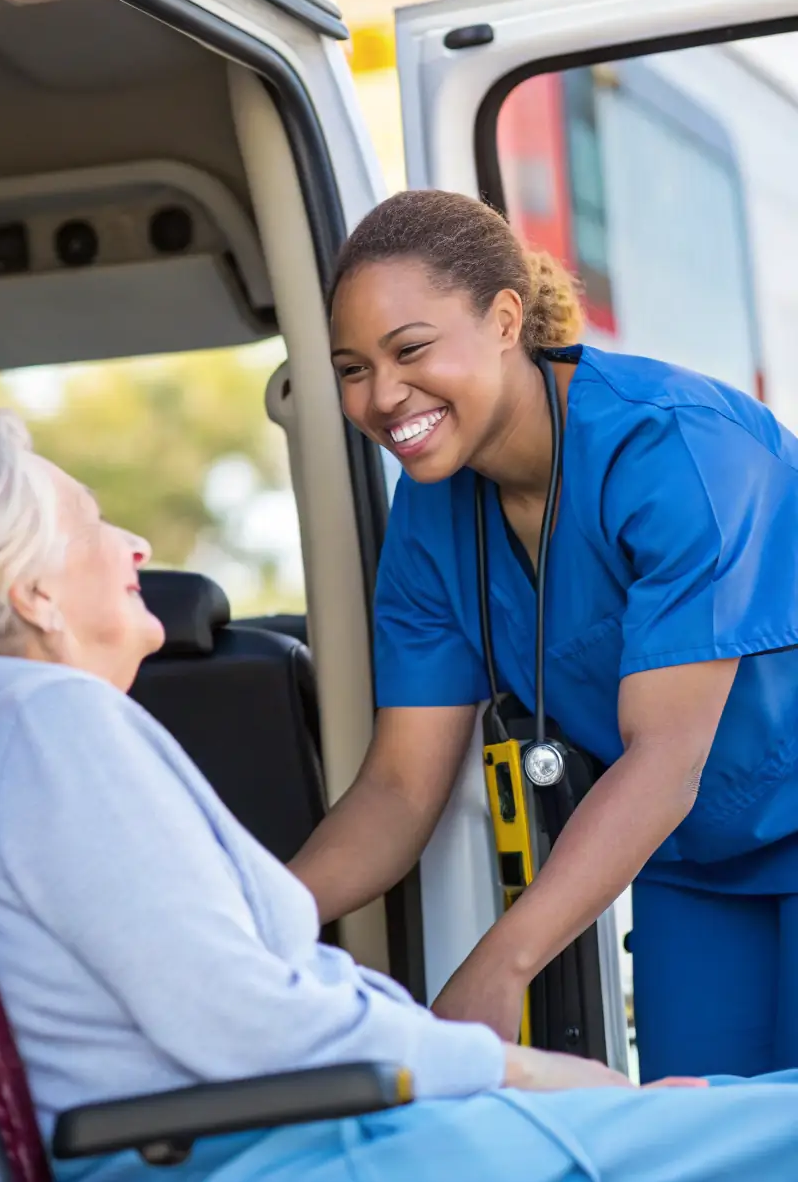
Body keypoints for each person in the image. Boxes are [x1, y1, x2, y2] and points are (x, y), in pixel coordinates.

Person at [0, 410, 798, 1181]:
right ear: (32, 593)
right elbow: (253, 1021)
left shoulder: (10, 743)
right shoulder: (50, 734)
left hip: (282, 1131)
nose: (135, 544)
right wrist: (531, 1070)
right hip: (277, 1150)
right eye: (95, 523)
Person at [290, 187, 798, 1084]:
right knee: (689, 1145)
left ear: (504, 319)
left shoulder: (677, 447)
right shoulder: (428, 521)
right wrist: (255, 914)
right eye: (351, 368)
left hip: (704, 806)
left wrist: (504, 959)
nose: (382, 394)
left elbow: (665, 757)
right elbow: (400, 788)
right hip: (695, 866)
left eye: (409, 350)